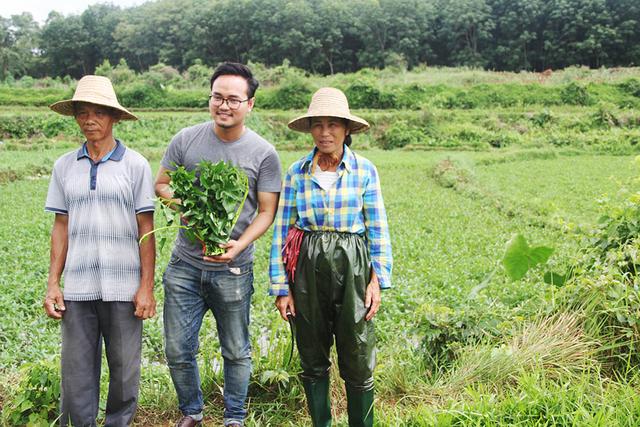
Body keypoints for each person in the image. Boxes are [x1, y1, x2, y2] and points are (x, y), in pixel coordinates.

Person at [155, 62, 282, 427]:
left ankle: (234, 418)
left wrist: (238, 245)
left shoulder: (263, 153)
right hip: (185, 264)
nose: (224, 105)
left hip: (234, 268)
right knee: (178, 349)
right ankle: (192, 412)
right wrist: (187, 210)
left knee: (236, 350)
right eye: (217, 97)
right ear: (210, 98)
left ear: (250, 104)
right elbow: (161, 184)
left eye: (233, 99)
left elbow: (266, 211)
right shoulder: (186, 140)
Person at [269, 87, 393, 427]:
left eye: (333, 124)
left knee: (357, 352)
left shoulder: (364, 170)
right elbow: (282, 230)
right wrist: (282, 286)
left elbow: (377, 228)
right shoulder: (297, 172)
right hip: (307, 267)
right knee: (312, 354)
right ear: (310, 129)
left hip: (352, 265)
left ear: (347, 129)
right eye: (318, 124)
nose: (325, 132)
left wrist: (377, 281)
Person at [43, 75, 157, 426]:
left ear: (113, 117)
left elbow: (146, 229)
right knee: (75, 370)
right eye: (82, 113)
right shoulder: (64, 166)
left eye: (98, 113)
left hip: (124, 287)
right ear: (75, 117)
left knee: (124, 370)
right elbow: (61, 226)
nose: (89, 120)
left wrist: (146, 287)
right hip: (77, 287)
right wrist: (53, 283)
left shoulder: (135, 165)